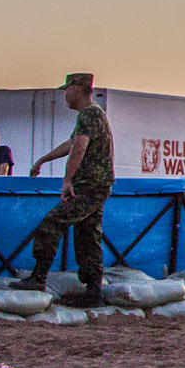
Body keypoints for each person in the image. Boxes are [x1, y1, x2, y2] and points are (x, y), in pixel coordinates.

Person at [19, 74, 112, 306]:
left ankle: (38, 278)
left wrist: (67, 181)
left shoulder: (89, 112)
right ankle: (93, 293)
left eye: (67, 90)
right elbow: (72, 143)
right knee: (88, 236)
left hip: (89, 185)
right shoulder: (91, 113)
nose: (65, 95)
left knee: (52, 222)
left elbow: (79, 148)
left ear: (78, 89)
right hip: (96, 185)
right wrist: (43, 159)